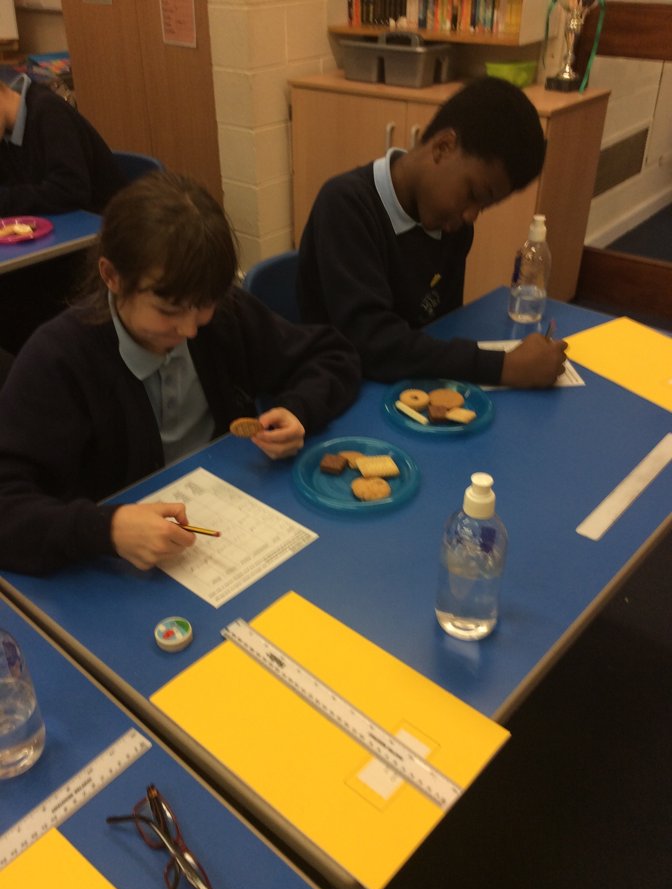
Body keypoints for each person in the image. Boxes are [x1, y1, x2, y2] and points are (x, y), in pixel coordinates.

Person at [0, 170, 361, 576]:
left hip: (231, 527)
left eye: (203, 305)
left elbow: (332, 355)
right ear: (112, 276)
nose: (190, 329)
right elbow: (8, 508)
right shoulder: (58, 361)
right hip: (118, 573)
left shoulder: (223, 317)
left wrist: (299, 409)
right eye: (169, 311)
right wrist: (108, 528)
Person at [297, 76, 568, 387]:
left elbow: (441, 327)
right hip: (338, 390)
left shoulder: (453, 228)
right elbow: (372, 346)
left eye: (485, 206)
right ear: (443, 146)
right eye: (473, 193)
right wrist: (504, 367)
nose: (471, 215)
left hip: (409, 384)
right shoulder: (346, 205)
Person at [0, 73, 127, 215]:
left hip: (102, 222)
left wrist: (6, 201)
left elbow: (71, 190)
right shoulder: (6, 133)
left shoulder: (49, 112)